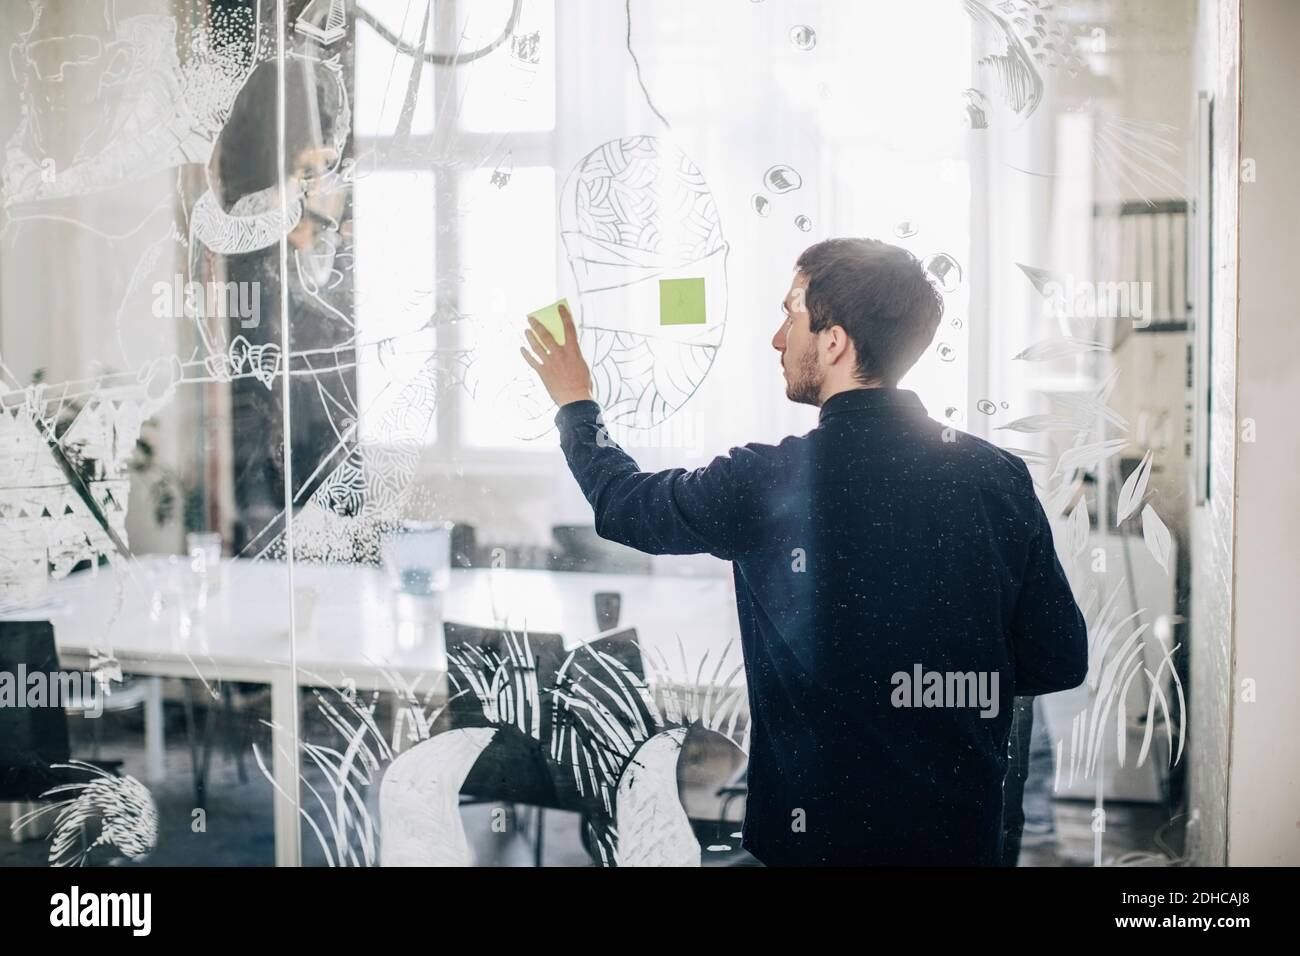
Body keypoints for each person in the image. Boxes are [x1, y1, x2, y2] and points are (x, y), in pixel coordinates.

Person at [520, 237, 1088, 866]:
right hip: (957, 843)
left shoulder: (765, 482)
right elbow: (1057, 660)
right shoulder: (999, 477)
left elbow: (626, 504)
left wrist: (576, 404)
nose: (777, 339)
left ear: (835, 341)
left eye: (790, 316)